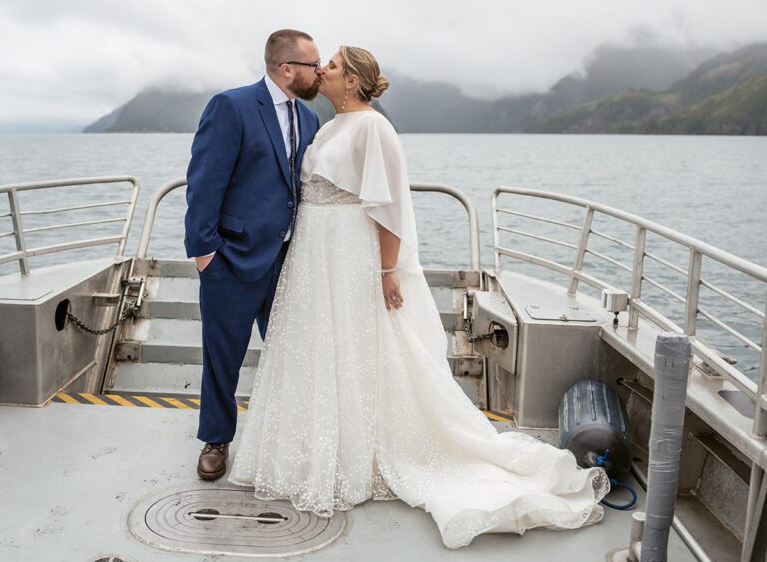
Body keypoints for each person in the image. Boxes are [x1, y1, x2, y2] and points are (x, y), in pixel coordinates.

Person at [230, 46, 609, 549]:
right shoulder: (328, 124)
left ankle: (361, 452)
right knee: (317, 347)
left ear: (355, 81)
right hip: (312, 256)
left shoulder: (372, 127)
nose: (323, 70)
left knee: (356, 345)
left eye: (334, 66)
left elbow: (387, 205)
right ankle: (315, 448)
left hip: (348, 253)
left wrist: (388, 270)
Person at [184, 29, 322, 481]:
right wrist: (205, 253)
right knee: (222, 355)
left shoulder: (310, 118)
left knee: (290, 353)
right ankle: (216, 440)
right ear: (287, 68)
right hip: (232, 259)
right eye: (311, 64)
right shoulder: (232, 106)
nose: (318, 72)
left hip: (288, 260)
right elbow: (205, 183)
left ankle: (286, 435)